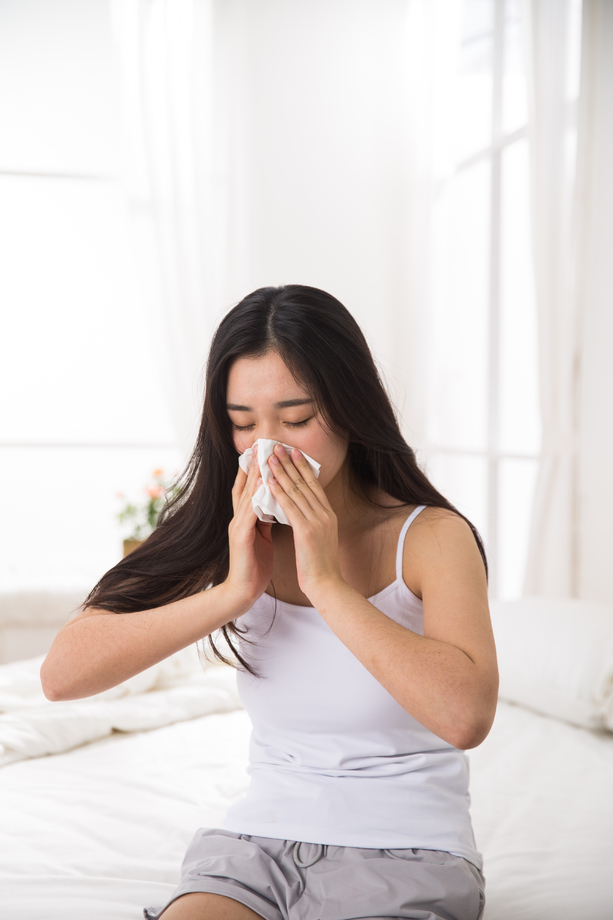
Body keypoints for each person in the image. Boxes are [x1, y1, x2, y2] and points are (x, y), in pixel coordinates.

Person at [41, 285, 498, 920]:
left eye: (297, 418)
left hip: (408, 850)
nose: (270, 448)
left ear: (349, 410)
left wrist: (327, 584)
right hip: (255, 851)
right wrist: (233, 592)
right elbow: (61, 677)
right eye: (243, 423)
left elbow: (465, 718)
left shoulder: (431, 537)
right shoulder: (226, 529)